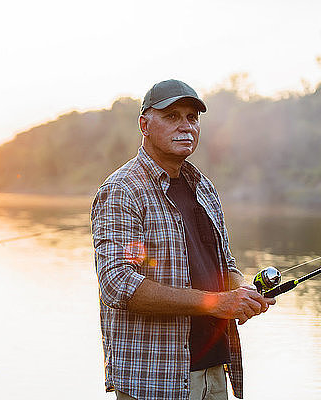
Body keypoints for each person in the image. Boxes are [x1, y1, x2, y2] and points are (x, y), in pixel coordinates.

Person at [91, 80, 275, 400]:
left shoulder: (204, 187)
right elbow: (118, 283)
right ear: (144, 125)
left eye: (192, 117)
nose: (185, 126)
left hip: (215, 372)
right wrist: (216, 303)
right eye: (172, 116)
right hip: (155, 380)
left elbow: (224, 265)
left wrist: (242, 293)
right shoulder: (122, 189)